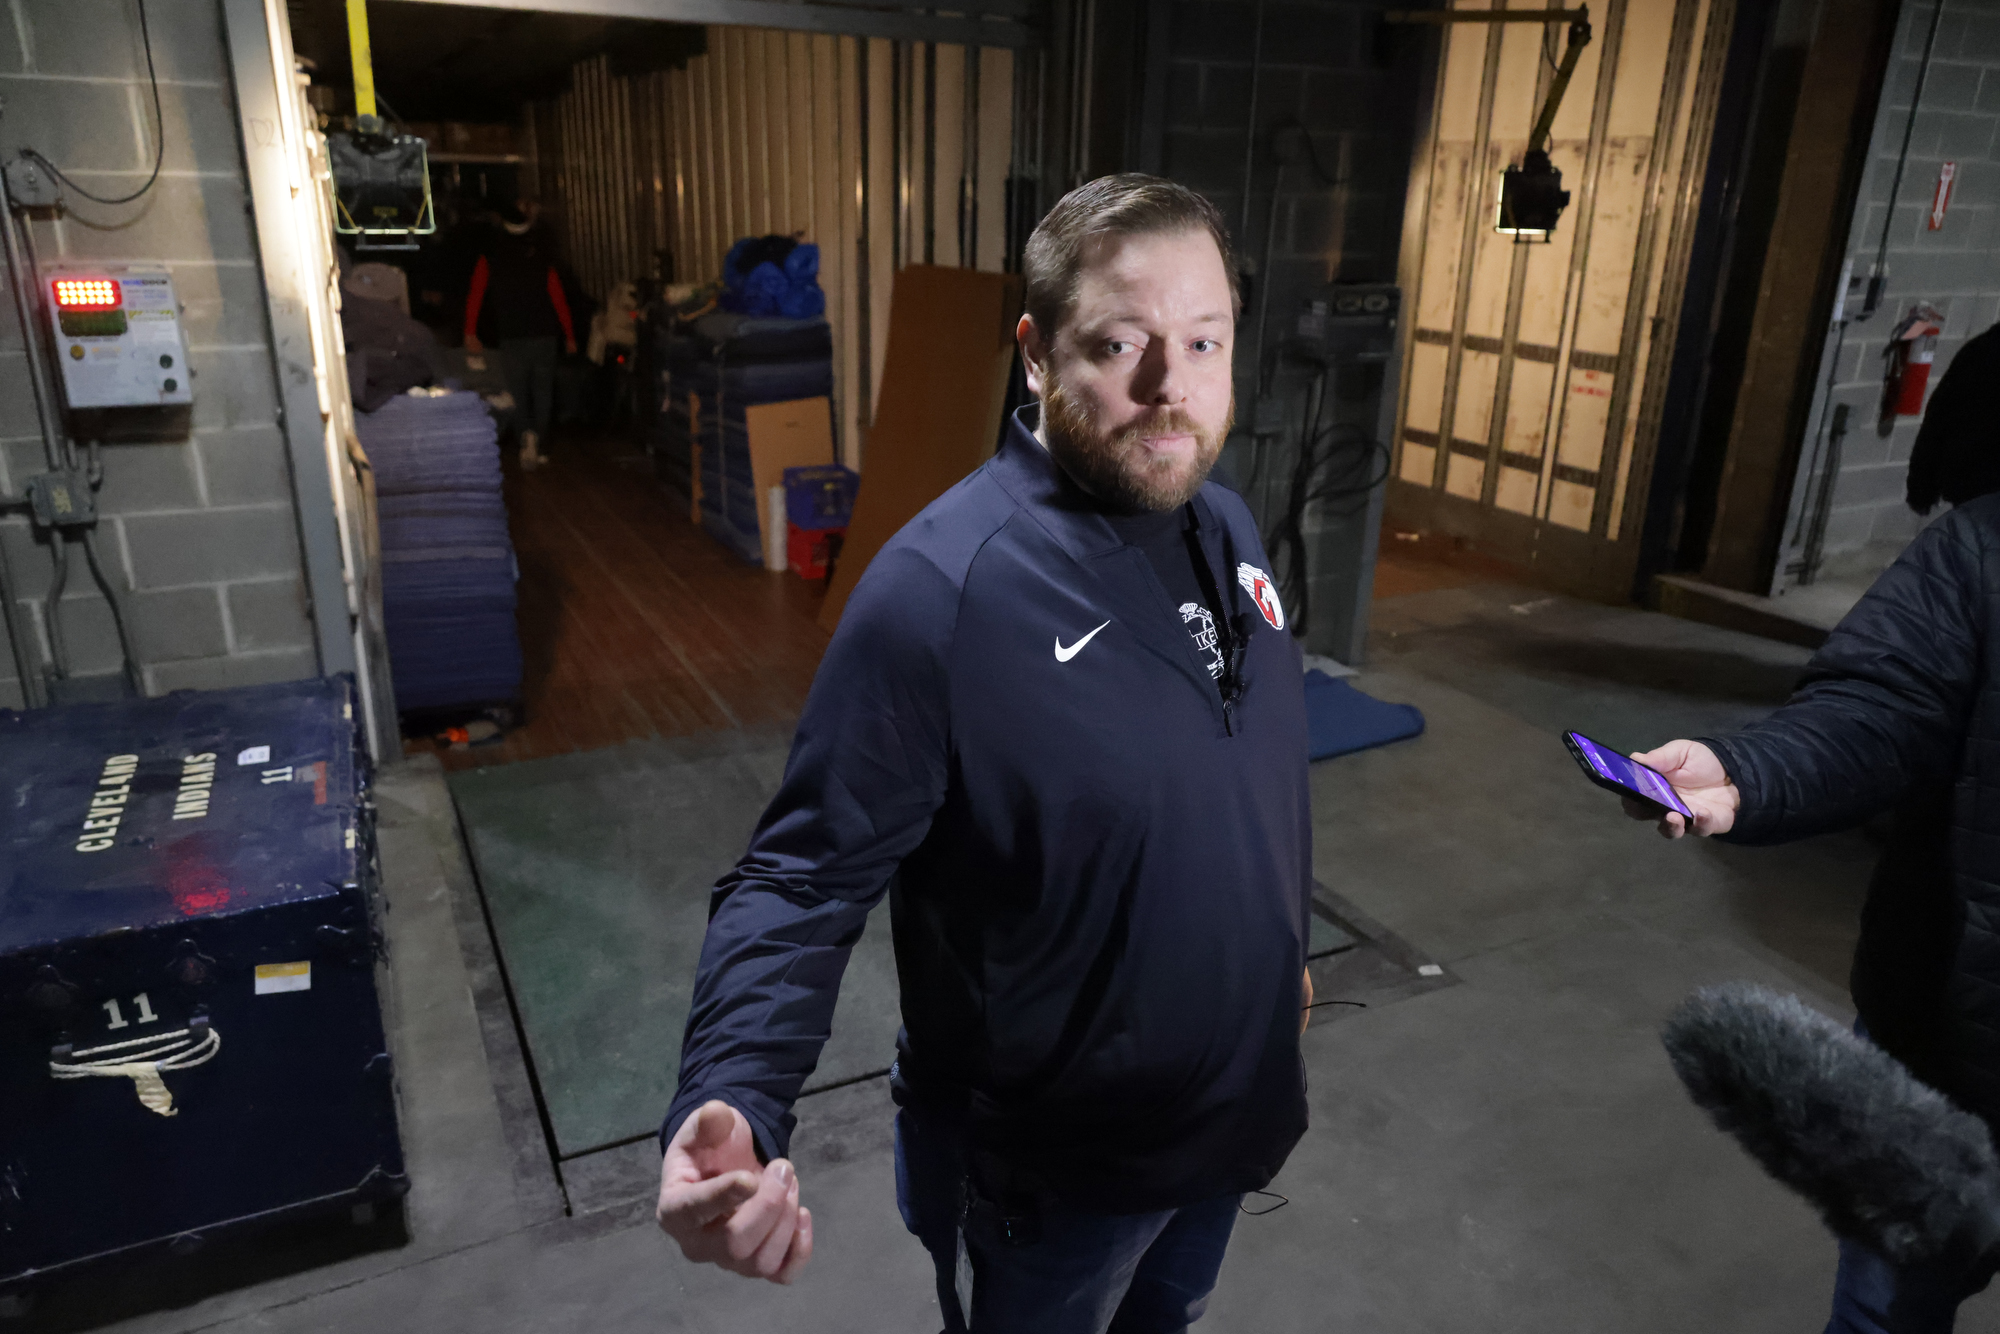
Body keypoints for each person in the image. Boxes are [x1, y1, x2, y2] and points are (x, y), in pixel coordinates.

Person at [654, 174, 1317, 1332]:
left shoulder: (1226, 525)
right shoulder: (941, 594)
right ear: (1033, 353)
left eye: (1203, 340)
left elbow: (1230, 779)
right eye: (1119, 343)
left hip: (1227, 1128)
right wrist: (732, 1095)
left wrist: (1271, 964)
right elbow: (798, 879)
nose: (1171, 386)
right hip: (1049, 1186)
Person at [1626, 492, 2000, 1333]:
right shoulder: (1980, 548)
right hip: (1944, 1046)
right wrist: (1750, 772)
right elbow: (1881, 706)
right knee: (1885, 1310)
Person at [464, 198, 576, 470]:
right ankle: (541, 444)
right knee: (542, 391)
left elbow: (476, 294)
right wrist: (570, 335)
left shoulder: (490, 256)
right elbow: (557, 296)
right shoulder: (541, 255)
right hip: (544, 334)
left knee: (517, 390)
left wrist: (470, 331)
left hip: (511, 334)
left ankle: (525, 436)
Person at [1907, 321, 2000, 515]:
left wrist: (1921, 486)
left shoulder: (1980, 350)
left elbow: (1939, 416)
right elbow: (1942, 415)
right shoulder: (1983, 352)